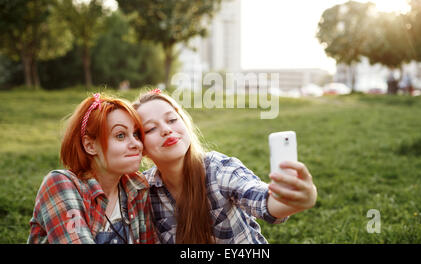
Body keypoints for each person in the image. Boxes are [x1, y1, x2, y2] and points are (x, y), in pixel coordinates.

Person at [133, 89, 317, 244]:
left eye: (172, 120)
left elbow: (260, 198)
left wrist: (290, 199)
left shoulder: (219, 169)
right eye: (150, 129)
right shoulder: (143, 190)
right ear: (140, 146)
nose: (166, 129)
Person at [28, 93, 156, 244]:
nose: (136, 144)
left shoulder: (137, 186)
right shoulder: (60, 184)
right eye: (120, 135)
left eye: (135, 134)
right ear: (90, 146)